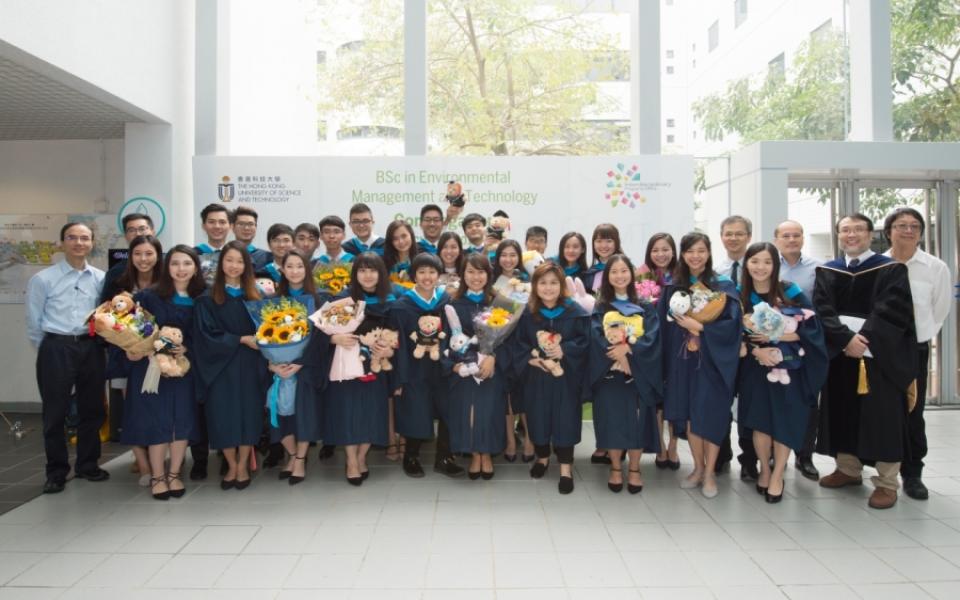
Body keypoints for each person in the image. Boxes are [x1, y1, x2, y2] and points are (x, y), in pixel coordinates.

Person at [815, 213, 917, 510]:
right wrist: (845, 340)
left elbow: (892, 311)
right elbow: (822, 309)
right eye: (845, 230)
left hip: (878, 357)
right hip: (841, 354)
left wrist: (864, 339)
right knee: (843, 410)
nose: (852, 235)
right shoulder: (828, 270)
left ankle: (887, 482)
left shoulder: (892, 269)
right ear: (838, 235)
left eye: (858, 229)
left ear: (871, 234)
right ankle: (848, 469)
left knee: (882, 417)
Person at [737, 242, 828, 503]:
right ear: (747, 265)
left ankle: (778, 475)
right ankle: (764, 469)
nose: (760, 267)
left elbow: (811, 328)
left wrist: (780, 335)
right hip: (755, 369)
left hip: (789, 368)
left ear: (775, 265)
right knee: (760, 421)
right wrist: (756, 351)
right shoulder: (739, 295)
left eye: (767, 262)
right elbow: (733, 335)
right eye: (755, 261)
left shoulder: (790, 291)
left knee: (784, 421)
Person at [25, 222, 108, 494]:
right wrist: (50, 350)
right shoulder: (43, 279)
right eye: (72, 238)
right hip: (56, 347)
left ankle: (87, 464)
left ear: (92, 243)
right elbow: (34, 323)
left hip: (91, 346)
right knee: (55, 412)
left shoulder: (100, 278)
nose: (79, 243)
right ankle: (56, 471)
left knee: (92, 409)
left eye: (84, 238)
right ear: (62, 243)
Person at [659, 232, 742, 499]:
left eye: (701, 251)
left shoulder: (722, 286)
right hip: (683, 362)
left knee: (712, 416)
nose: (696, 256)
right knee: (691, 416)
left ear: (708, 253)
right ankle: (697, 467)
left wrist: (702, 328)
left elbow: (732, 325)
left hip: (713, 362)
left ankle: (710, 474)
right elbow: (663, 326)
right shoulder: (674, 285)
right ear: (682, 254)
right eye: (690, 251)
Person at [121, 245, 205, 500]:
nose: (181, 269)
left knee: (181, 421)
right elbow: (134, 330)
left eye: (187, 264)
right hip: (151, 368)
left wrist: (186, 347)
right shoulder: (149, 297)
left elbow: (204, 334)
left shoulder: (202, 297)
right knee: (156, 422)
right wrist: (135, 349)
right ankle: (158, 475)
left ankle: (175, 473)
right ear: (167, 268)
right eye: (175, 263)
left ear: (195, 268)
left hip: (185, 369)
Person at [882, 207, 951, 501]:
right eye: (901, 225)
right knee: (880, 411)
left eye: (914, 226)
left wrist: (919, 336)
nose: (908, 231)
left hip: (914, 349)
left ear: (921, 232)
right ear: (889, 231)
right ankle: (881, 471)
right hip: (880, 349)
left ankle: (912, 473)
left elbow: (940, 309)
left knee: (913, 411)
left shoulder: (935, 268)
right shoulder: (878, 265)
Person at [193, 241, 268, 491]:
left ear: (246, 266)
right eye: (229, 260)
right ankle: (231, 464)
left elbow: (267, 332)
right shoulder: (207, 299)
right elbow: (205, 336)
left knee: (249, 415)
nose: (234, 266)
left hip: (250, 365)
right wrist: (240, 339)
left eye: (240, 261)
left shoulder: (256, 297)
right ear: (220, 263)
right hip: (220, 366)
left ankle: (243, 463)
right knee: (222, 416)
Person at [513, 262, 590, 494]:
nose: (548, 288)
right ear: (535, 285)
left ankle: (565, 468)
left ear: (562, 285)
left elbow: (585, 342)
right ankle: (543, 458)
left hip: (565, 379)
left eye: (554, 283)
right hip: (537, 378)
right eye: (543, 283)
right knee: (538, 418)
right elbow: (518, 343)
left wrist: (565, 349)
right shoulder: (527, 314)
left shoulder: (575, 311)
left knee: (565, 419)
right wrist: (530, 358)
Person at [588, 254, 662, 494]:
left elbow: (651, 338)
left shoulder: (645, 304)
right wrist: (618, 356)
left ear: (631, 274)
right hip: (611, 374)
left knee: (638, 423)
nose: (619, 276)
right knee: (613, 422)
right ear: (607, 277)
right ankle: (616, 468)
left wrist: (629, 351)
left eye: (624, 271)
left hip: (637, 373)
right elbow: (597, 337)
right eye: (614, 272)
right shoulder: (600, 306)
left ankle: (635, 469)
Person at [389, 252, 464, 478]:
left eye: (432, 271)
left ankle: (444, 457)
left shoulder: (447, 301)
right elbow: (397, 343)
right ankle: (410, 456)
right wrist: (399, 377)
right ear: (413, 275)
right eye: (421, 272)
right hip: (413, 368)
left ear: (439, 275)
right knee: (416, 410)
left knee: (447, 410)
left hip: (442, 366)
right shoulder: (401, 306)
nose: (427, 276)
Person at [323, 253, 396, 484]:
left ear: (381, 273)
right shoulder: (343, 300)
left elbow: (398, 336)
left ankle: (362, 456)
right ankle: (351, 461)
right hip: (347, 367)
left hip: (376, 367)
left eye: (372, 270)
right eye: (362, 270)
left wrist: (389, 350)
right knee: (349, 414)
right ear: (355, 274)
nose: (367, 275)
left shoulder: (390, 301)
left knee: (371, 414)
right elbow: (321, 332)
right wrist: (333, 340)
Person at [100, 234, 163, 486]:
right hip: (127, 355)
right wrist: (127, 346)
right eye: (138, 254)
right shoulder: (118, 282)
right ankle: (143, 463)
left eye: (149, 253)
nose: (143, 259)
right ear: (130, 256)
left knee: (155, 408)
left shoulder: (164, 283)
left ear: (158, 255)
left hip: (158, 355)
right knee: (133, 408)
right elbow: (104, 317)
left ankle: (156, 457)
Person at [442, 253, 507, 479]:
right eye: (470, 271)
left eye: (481, 271)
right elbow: (446, 338)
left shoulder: (500, 302)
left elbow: (510, 338)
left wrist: (493, 357)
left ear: (488, 274)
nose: (475, 276)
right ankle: (474, 454)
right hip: (464, 368)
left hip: (491, 368)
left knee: (489, 411)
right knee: (468, 412)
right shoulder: (452, 304)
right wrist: (454, 365)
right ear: (462, 275)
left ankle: (486, 453)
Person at [268, 250, 328, 485]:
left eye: (299, 266)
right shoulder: (273, 300)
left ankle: (300, 459)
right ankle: (292, 455)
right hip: (280, 368)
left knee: (304, 415)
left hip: (307, 368)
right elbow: (265, 333)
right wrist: (273, 363)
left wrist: (301, 363)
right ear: (282, 270)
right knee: (281, 416)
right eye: (289, 266)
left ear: (307, 269)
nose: (295, 271)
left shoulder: (319, 299)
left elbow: (321, 337)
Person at [773, 220, 823, 480]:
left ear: (803, 238)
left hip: (804, 343)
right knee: (774, 401)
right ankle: (771, 457)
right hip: (770, 346)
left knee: (807, 402)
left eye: (796, 235)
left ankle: (805, 456)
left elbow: (821, 307)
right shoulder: (767, 266)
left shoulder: (817, 269)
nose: (791, 240)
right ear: (777, 239)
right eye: (786, 235)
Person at [715, 215, 759, 480]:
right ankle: (721, 454)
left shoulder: (758, 268)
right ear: (721, 237)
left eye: (739, 234)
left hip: (754, 349)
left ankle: (749, 458)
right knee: (721, 401)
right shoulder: (716, 271)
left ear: (748, 236)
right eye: (728, 233)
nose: (733, 238)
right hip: (722, 348)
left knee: (749, 404)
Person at [640, 233, 680, 471]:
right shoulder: (641, 275)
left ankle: (674, 446)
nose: (661, 254)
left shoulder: (682, 277)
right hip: (650, 343)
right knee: (656, 396)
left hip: (676, 342)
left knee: (674, 396)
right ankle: (660, 446)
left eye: (665, 249)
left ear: (673, 251)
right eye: (655, 250)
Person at [494, 239, 535, 461]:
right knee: (507, 394)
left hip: (523, 343)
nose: (508, 259)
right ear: (497, 258)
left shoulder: (528, 282)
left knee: (524, 392)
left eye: (513, 255)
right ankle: (510, 441)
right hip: (501, 343)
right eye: (503, 255)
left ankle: (529, 439)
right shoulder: (491, 282)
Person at [101, 213, 155, 299]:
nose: (138, 234)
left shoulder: (169, 267)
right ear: (125, 236)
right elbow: (105, 307)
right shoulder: (116, 273)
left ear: (152, 231)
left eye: (142, 229)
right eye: (131, 230)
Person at [196, 202, 231, 288]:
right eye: (211, 222)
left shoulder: (238, 255)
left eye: (222, 222)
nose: (217, 226)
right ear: (203, 226)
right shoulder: (194, 255)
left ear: (230, 226)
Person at [581, 224, 623, 294]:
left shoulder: (627, 269)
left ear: (617, 243)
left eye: (609, 241)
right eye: (599, 241)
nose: (603, 245)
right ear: (593, 244)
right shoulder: (590, 274)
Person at [230, 205, 270, 271]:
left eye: (250, 224)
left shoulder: (266, 257)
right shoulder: (224, 254)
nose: (246, 228)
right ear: (232, 227)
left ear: (256, 227)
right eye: (241, 224)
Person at [384, 220, 421, 289]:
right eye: (395, 239)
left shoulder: (422, 259)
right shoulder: (384, 262)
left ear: (411, 235)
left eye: (404, 236)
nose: (401, 241)